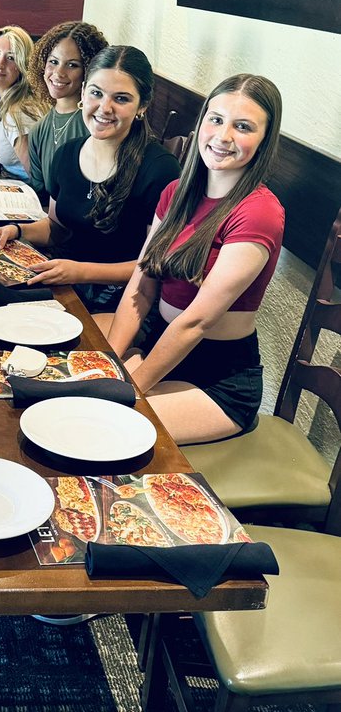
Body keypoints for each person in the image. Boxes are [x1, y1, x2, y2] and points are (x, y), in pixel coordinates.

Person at [109, 74, 285, 444]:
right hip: (161, 345)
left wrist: (128, 389)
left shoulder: (259, 212)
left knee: (110, 429)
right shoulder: (175, 193)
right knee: (72, 397)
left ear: (265, 140)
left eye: (242, 127)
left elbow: (197, 322)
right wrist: (110, 362)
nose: (223, 137)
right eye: (216, 119)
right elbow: (139, 290)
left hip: (219, 380)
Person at [0, 45, 180, 320]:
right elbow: (57, 228)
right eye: (96, 93)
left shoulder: (160, 168)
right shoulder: (68, 153)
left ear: (142, 106)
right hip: (67, 284)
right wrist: (16, 231)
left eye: (121, 98)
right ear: (83, 92)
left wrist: (80, 271)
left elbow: (153, 267)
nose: (104, 108)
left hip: (125, 301)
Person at [25, 20, 108, 201]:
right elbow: (42, 197)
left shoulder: (98, 125)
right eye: (53, 61)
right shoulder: (38, 130)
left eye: (72, 65)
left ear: (90, 70)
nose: (58, 73)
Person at [0, 25, 47, 181]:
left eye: (11, 57)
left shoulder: (19, 112)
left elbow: (39, 181)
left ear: (23, 65)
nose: (0, 64)